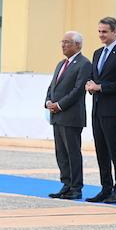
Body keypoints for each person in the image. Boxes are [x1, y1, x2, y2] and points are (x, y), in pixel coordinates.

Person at [84, 17, 116, 204]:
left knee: (114, 150)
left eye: (105, 31)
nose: (101, 35)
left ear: (115, 32)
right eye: (99, 31)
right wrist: (89, 84)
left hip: (112, 109)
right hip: (97, 109)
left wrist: (100, 87)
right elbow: (94, 77)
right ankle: (106, 188)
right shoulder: (96, 53)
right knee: (101, 150)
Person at [45, 31, 92, 200]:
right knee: (61, 153)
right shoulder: (61, 64)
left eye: (68, 42)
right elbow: (52, 86)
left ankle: (76, 187)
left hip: (71, 116)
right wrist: (48, 101)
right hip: (57, 116)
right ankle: (66, 184)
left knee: (72, 152)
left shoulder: (84, 64)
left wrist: (59, 105)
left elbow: (78, 90)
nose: (63, 45)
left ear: (78, 45)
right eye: (62, 41)